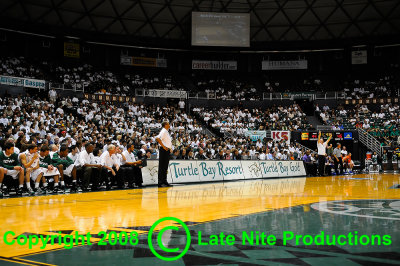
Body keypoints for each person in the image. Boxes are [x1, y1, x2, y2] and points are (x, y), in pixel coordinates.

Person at [155, 121, 173, 187]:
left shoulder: (166, 131)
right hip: (163, 150)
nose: (169, 125)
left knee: (165, 167)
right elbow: (157, 138)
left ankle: (164, 181)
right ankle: (160, 182)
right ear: (165, 125)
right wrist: (164, 146)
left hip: (167, 150)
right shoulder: (164, 131)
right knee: (162, 166)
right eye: (168, 124)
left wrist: (169, 148)